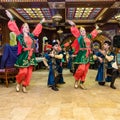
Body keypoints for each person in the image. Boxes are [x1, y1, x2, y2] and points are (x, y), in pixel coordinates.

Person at [5, 10, 45, 93]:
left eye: (28, 27)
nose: (27, 28)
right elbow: (15, 28)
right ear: (22, 29)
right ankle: (18, 82)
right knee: (23, 71)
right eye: (26, 27)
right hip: (23, 55)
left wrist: (41, 22)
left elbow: (36, 31)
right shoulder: (20, 36)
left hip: (31, 55)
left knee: (29, 73)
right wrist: (11, 17)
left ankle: (24, 85)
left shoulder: (31, 35)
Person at [67, 20, 102, 89]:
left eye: (84, 31)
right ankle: (76, 80)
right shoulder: (79, 37)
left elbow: (93, 33)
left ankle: (82, 83)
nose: (83, 32)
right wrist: (73, 25)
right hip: (82, 54)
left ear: (85, 31)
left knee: (85, 70)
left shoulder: (88, 37)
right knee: (81, 69)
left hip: (88, 54)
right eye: (81, 31)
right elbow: (75, 31)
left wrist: (97, 28)